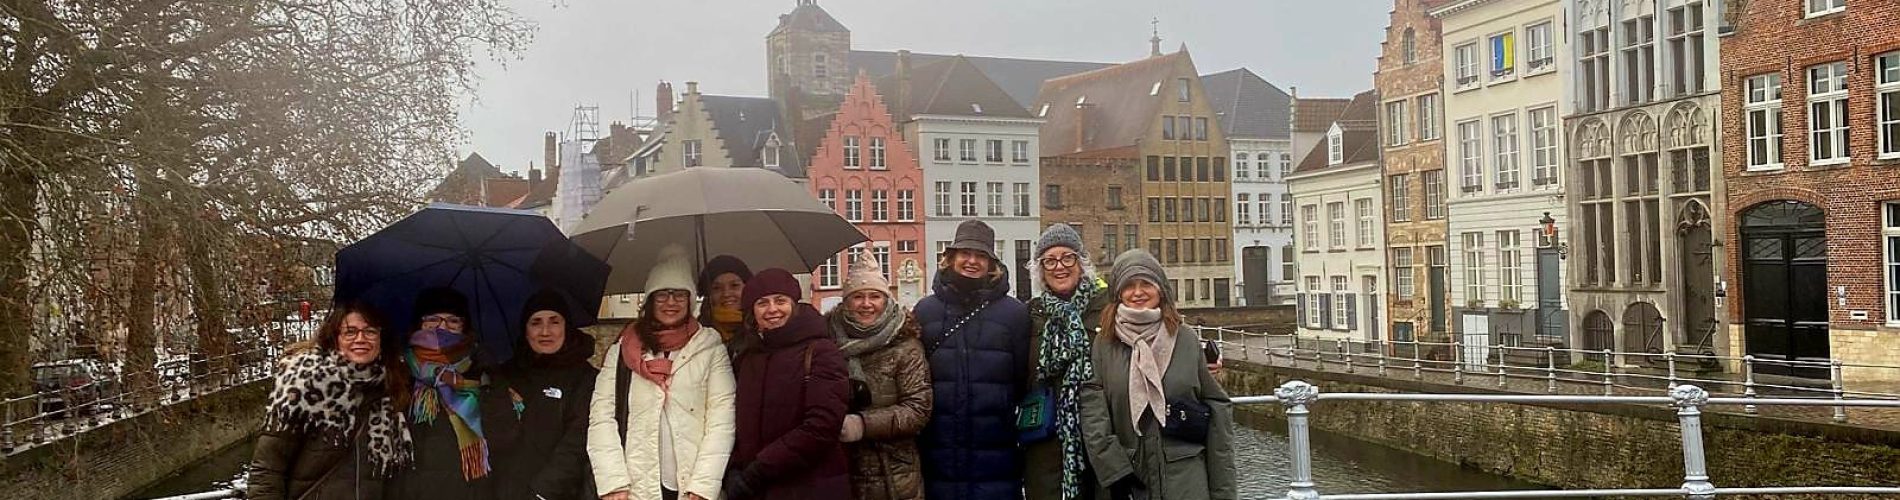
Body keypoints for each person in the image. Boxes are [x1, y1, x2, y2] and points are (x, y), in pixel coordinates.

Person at [1081, 250, 1236, 500]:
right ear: (1118, 293)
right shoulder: (1105, 344)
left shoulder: (1185, 340)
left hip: (1184, 483)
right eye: (1129, 285)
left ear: (1161, 289)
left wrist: (1223, 493)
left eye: (1146, 284)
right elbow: (1094, 413)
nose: (1138, 292)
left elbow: (1217, 413)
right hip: (1129, 480)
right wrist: (1115, 471)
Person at [589, 246, 737, 500]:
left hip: (691, 486)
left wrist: (703, 487)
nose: (671, 302)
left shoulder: (710, 348)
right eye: (662, 295)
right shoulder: (622, 349)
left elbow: (721, 420)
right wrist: (613, 483)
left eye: (679, 294)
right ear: (650, 300)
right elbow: (601, 417)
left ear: (690, 299)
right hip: (634, 486)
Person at [913, 220, 1032, 499]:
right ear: (951, 258)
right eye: (965, 253)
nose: (972, 261)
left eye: (980, 255)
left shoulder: (1014, 314)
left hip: (996, 452)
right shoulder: (926, 311)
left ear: (991, 264)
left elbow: (1022, 380)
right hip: (939, 452)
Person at [246, 301, 412, 499]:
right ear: (335, 338)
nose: (360, 339)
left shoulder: (391, 389)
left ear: (381, 339)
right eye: (350, 332)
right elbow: (267, 471)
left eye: (370, 332)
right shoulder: (305, 386)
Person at [723, 268, 852, 499]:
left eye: (780, 300)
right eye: (762, 303)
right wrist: (734, 467)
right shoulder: (748, 358)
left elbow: (822, 426)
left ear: (794, 305)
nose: (772, 309)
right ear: (752, 311)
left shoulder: (820, 351)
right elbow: (737, 422)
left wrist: (759, 469)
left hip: (810, 487)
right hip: (758, 489)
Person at [385, 287, 516, 499]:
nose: (442, 327)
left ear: (464, 327)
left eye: (453, 321)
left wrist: (491, 379)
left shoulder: (481, 372)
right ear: (419, 324)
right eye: (432, 319)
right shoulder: (398, 372)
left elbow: (504, 436)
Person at [827, 250, 932, 500]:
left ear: (886, 299)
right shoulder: (826, 341)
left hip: (893, 474)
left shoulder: (905, 345)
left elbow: (918, 409)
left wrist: (862, 424)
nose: (866, 304)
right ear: (846, 301)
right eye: (858, 296)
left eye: (874, 296)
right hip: (840, 468)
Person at [1024, 224, 1109, 500]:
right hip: (1045, 447)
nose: (1059, 266)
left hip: (1101, 438)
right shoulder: (1030, 315)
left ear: (1081, 262)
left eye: (1067, 257)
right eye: (1050, 260)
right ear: (1040, 269)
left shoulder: (1108, 308)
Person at [494, 289, 599, 500]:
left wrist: (543, 492)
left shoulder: (585, 378)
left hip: (558, 493)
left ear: (566, 327)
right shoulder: (504, 375)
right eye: (536, 322)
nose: (545, 331)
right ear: (525, 330)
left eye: (554, 322)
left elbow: (576, 443)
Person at [698, 254, 754, 353]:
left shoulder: (761, 329)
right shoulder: (697, 334)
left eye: (734, 285)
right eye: (717, 288)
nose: (726, 294)